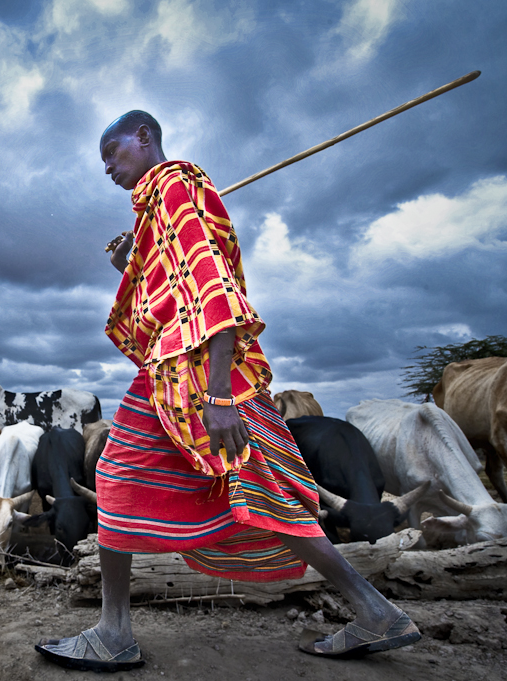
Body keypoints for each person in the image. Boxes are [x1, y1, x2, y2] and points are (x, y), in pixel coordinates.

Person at [35, 111, 420, 672]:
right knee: (257, 490)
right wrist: (130, 259)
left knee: (144, 480)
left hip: (197, 377)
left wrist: (217, 396)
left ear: (143, 137)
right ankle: (374, 610)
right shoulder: (161, 203)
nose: (108, 169)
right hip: (180, 374)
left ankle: (115, 632)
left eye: (112, 153)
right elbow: (168, 287)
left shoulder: (170, 184)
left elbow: (211, 283)